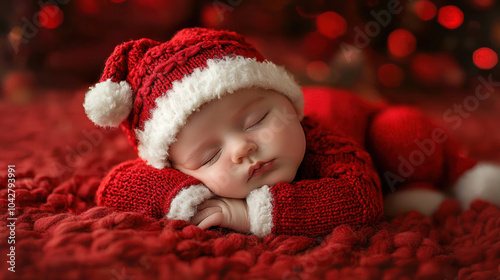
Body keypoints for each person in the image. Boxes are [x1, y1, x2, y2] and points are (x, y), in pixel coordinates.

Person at [84, 27, 500, 237]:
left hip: (369, 123)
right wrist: (181, 196)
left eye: (256, 121)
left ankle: (456, 173)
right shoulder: (175, 162)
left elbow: (360, 200)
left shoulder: (317, 140)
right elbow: (116, 186)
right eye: (209, 157)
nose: (242, 147)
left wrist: (243, 214)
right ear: (176, 167)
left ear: (289, 105)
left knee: (401, 140)